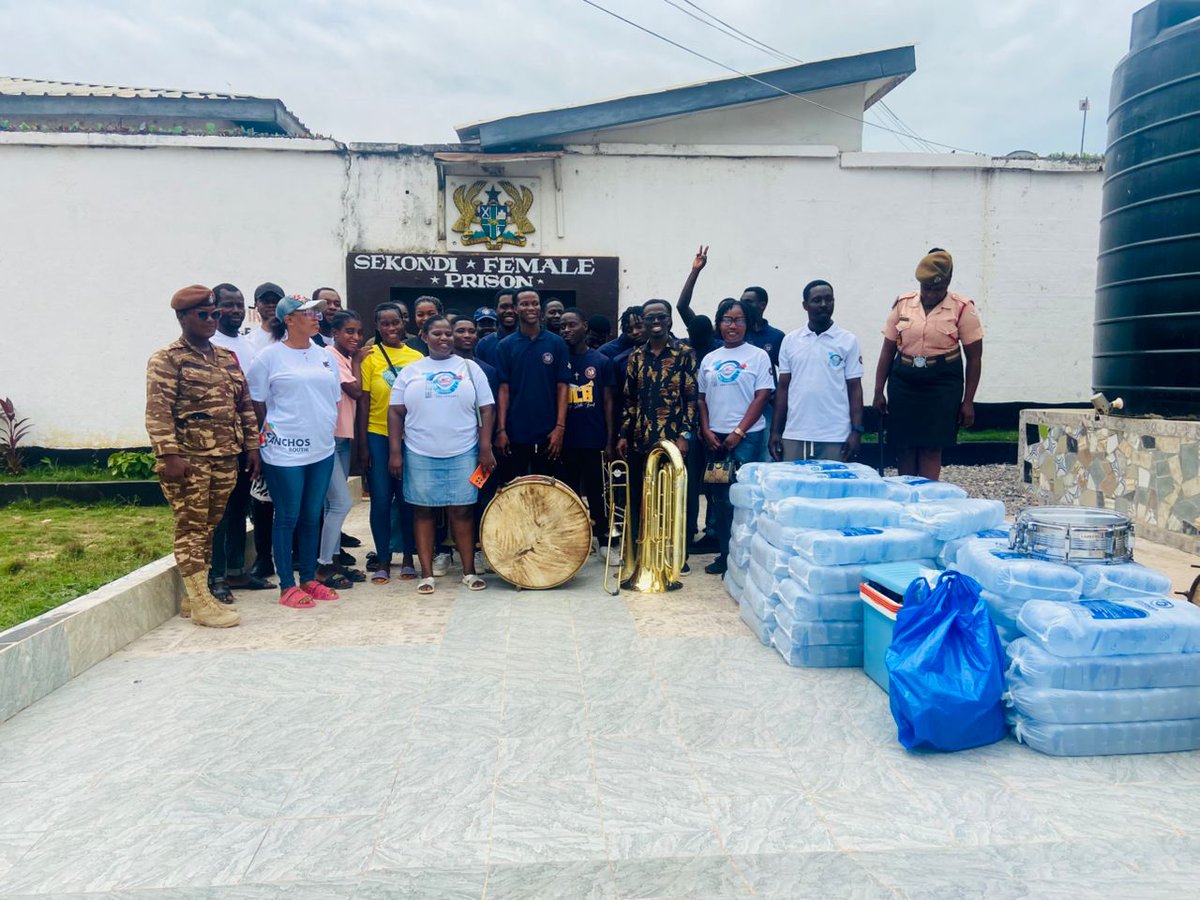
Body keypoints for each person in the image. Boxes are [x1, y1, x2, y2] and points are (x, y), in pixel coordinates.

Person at [146, 284, 259, 628]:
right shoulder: (167, 359)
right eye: (203, 315)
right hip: (189, 460)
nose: (212, 320)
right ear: (183, 318)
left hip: (226, 456)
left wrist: (251, 446)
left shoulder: (224, 357)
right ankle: (201, 601)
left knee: (209, 527)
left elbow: (244, 406)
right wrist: (168, 455)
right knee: (191, 527)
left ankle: (194, 597)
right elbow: (158, 411)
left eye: (215, 314)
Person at [388, 316, 496, 594]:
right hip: (420, 452)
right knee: (422, 511)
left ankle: (469, 572)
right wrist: (396, 452)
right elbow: (395, 411)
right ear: (424, 336)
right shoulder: (411, 370)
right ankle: (427, 574)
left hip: (463, 451)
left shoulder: (470, 368)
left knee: (462, 511)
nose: (445, 338)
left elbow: (486, 408)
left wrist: (485, 448)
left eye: (448, 333)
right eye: (437, 333)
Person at [247, 295, 341, 608]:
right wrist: (265, 437)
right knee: (287, 516)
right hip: (284, 450)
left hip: (321, 448)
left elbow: (333, 398)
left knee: (312, 515)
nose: (317, 316)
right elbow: (256, 401)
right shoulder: (269, 357)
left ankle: (309, 578)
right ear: (289, 320)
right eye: (308, 313)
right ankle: (287, 585)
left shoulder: (325, 355)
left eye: (317, 312)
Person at [873, 248, 984, 481]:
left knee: (931, 446)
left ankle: (928, 499)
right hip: (904, 380)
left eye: (936, 288)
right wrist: (878, 391)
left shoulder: (962, 308)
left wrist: (968, 401)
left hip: (942, 382)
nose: (930, 294)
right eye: (926, 288)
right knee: (904, 444)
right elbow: (887, 349)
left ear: (947, 283)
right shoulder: (903, 304)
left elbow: (974, 358)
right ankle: (906, 494)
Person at [617, 298, 698, 584]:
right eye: (649, 317)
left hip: (674, 441)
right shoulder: (636, 356)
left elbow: (691, 399)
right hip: (641, 439)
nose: (655, 322)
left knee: (674, 501)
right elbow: (629, 400)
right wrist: (624, 435)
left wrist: (685, 435)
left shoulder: (685, 353)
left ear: (669, 321)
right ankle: (643, 559)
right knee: (642, 500)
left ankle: (676, 557)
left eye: (660, 317)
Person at [698, 299, 774, 575]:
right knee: (719, 498)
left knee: (741, 497)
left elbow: (762, 395)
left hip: (746, 439)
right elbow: (702, 399)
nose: (733, 325)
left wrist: (739, 431)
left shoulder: (757, 356)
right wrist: (706, 430)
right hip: (715, 440)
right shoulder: (710, 358)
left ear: (748, 324)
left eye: (739, 320)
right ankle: (725, 554)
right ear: (719, 323)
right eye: (727, 320)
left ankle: (745, 557)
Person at [207, 283, 272, 600]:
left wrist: (254, 445)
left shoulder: (247, 345)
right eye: (228, 305)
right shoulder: (208, 345)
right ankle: (215, 576)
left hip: (245, 441)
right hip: (214, 445)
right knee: (217, 513)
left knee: (238, 507)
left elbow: (252, 398)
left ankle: (235, 571)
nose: (234, 311)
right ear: (214, 307)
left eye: (238, 305)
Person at [357, 302, 423, 582]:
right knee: (381, 500)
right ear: (378, 327)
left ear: (403, 323)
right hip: (377, 434)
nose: (391, 328)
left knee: (408, 499)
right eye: (384, 323)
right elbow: (363, 402)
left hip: (412, 437)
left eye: (395, 322)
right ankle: (383, 557)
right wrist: (362, 445)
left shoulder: (417, 356)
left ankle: (409, 555)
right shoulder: (370, 357)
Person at [770, 280, 865, 463]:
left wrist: (856, 431)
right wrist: (775, 431)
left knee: (833, 490)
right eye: (817, 300)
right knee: (796, 489)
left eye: (829, 299)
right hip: (795, 433)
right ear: (805, 305)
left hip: (836, 436)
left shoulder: (848, 341)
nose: (824, 305)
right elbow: (783, 388)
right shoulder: (790, 341)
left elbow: (855, 389)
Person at [495, 290, 571, 482]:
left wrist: (560, 428)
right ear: (515, 308)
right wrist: (501, 430)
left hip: (549, 433)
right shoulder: (505, 346)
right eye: (525, 304)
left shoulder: (557, 344)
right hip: (515, 433)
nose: (531, 308)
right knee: (515, 492)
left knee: (547, 492)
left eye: (535, 303)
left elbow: (563, 386)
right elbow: (503, 390)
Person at [316, 310, 366, 589]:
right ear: (334, 332)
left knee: (330, 504)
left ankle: (334, 561)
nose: (356, 337)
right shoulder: (331, 357)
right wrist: (358, 361)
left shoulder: (343, 357)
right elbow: (356, 391)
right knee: (341, 503)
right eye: (349, 331)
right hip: (329, 440)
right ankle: (323, 567)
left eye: (359, 332)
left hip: (343, 439)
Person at [559, 308, 616, 546]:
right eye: (562, 326)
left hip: (593, 439)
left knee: (597, 493)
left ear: (584, 325)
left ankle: (603, 539)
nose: (566, 330)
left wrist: (610, 440)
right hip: (564, 442)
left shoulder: (601, 361)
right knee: (568, 493)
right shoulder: (558, 359)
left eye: (571, 325)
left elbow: (609, 403)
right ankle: (576, 541)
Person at [453, 316, 499, 576]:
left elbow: (491, 409)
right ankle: (446, 551)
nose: (467, 335)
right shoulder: (441, 369)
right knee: (454, 503)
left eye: (471, 331)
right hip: (451, 447)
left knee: (481, 498)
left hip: (479, 448)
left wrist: (489, 445)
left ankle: (480, 551)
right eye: (461, 330)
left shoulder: (487, 371)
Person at [475, 290, 518, 366]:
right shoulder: (484, 344)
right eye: (504, 307)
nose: (509, 311)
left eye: (513, 307)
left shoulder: (530, 340)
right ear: (496, 310)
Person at [246, 282, 284, 353]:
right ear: (255, 305)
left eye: (276, 301)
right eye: (266, 301)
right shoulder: (249, 341)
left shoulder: (296, 337)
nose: (271, 305)